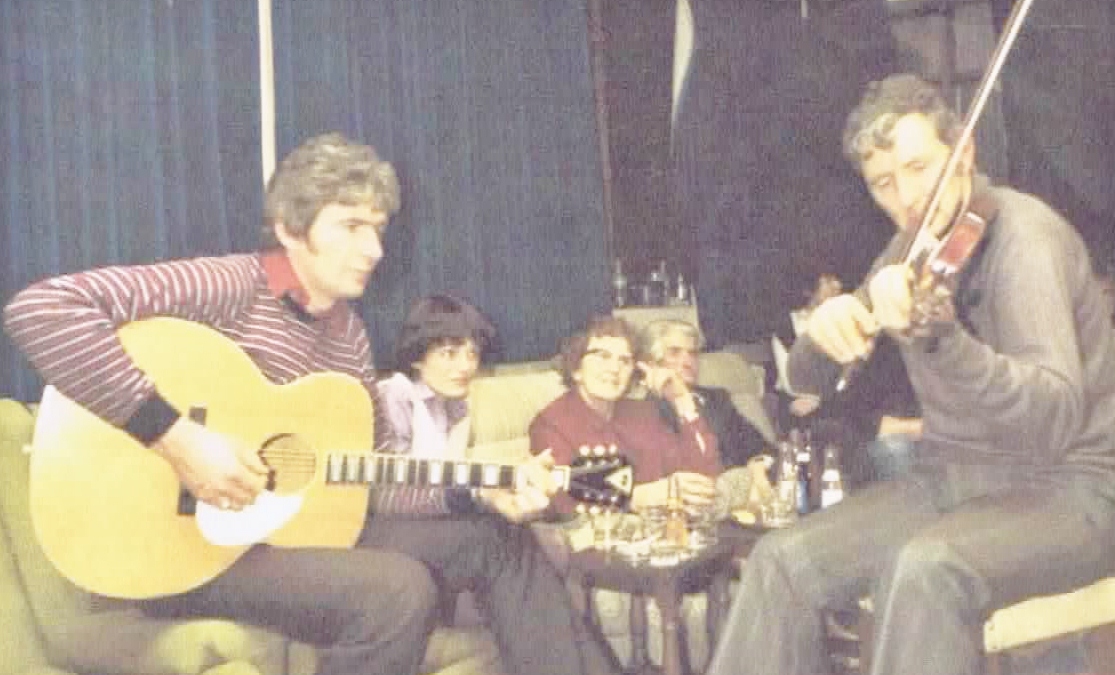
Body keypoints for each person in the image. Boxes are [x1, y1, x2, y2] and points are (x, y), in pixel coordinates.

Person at [3, 133, 613, 675]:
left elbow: (376, 480)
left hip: (283, 542)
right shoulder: (231, 285)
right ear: (292, 228)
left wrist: (481, 492)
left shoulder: (349, 337)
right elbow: (40, 309)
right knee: (397, 590)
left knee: (495, 539)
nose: (374, 249)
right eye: (352, 226)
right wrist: (178, 440)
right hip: (177, 548)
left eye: (379, 230)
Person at [704, 73, 1115, 675]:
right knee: (781, 562)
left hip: (1072, 490)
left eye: (920, 168)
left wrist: (945, 342)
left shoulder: (1026, 242)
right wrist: (821, 335)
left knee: (925, 567)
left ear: (964, 152)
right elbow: (809, 381)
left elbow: (1051, 418)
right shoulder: (909, 252)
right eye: (883, 183)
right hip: (954, 479)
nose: (907, 198)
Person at [529, 315, 720, 514]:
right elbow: (561, 500)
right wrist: (638, 497)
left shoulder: (644, 413)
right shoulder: (551, 424)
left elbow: (704, 478)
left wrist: (682, 401)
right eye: (602, 356)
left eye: (625, 360)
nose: (614, 368)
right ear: (576, 368)